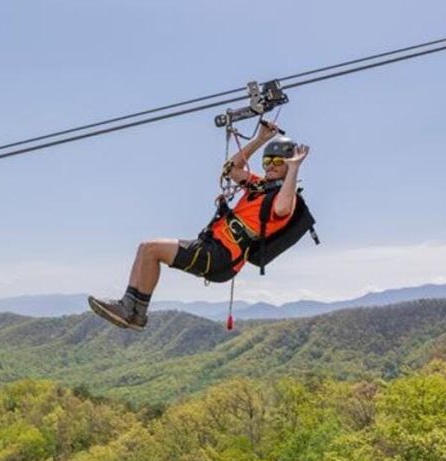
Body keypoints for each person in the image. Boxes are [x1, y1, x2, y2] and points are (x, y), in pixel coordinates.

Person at [88, 119, 311, 330]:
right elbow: (231, 169)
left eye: (278, 162)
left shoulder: (285, 199)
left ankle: (131, 310)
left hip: (222, 256)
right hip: (212, 247)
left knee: (151, 249)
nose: (271, 166)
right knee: (145, 249)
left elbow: (282, 209)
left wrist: (294, 168)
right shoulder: (258, 185)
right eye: (268, 161)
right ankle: (134, 313)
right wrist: (260, 140)